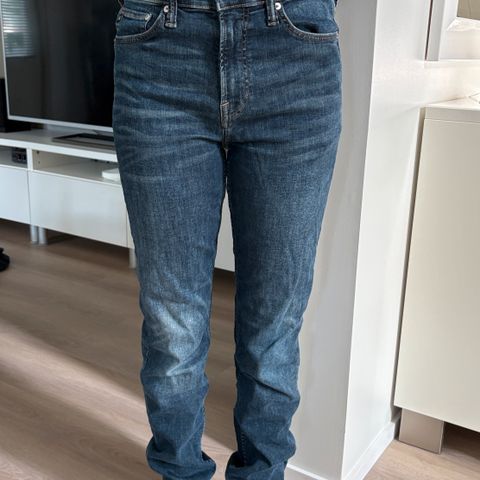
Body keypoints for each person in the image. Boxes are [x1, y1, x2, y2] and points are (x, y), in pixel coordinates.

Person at [112, 0, 341, 478]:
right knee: (172, 323)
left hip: (294, 48)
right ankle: (180, 472)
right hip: (158, 46)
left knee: (275, 321)